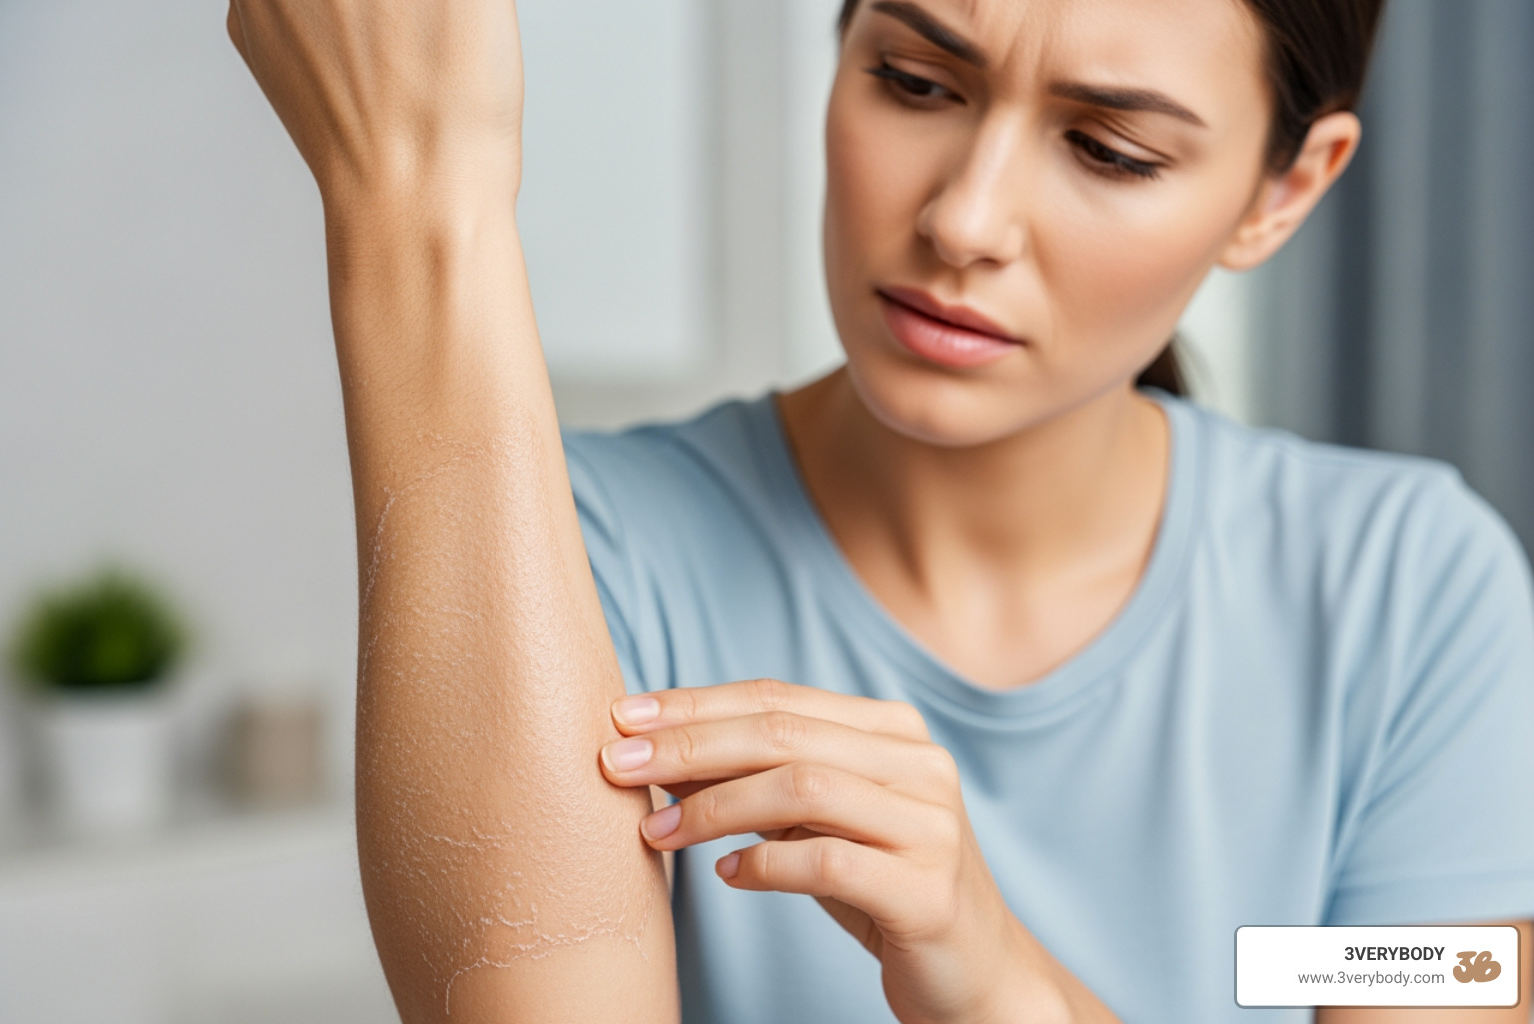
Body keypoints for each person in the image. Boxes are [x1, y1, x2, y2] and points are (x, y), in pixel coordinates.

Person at [225, 0, 1534, 1021]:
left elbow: (1391, 981)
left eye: (1108, 149)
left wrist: (998, 980)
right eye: (914, 81)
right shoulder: (569, 559)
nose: (965, 218)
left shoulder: (1413, 596)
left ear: (1284, 191)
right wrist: (417, 198)